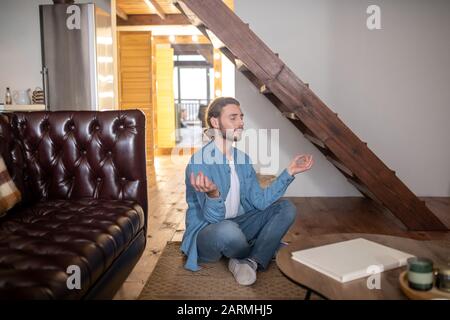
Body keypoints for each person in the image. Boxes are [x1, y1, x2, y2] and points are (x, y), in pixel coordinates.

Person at [181, 97, 314, 286]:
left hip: (239, 225)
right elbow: (212, 219)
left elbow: (259, 202)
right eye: (233, 118)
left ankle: (249, 261)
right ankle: (265, 249)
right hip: (210, 232)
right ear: (215, 122)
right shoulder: (199, 162)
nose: (241, 123)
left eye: (241, 117)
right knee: (227, 231)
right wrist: (213, 195)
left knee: (286, 207)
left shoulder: (243, 159)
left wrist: (289, 172)